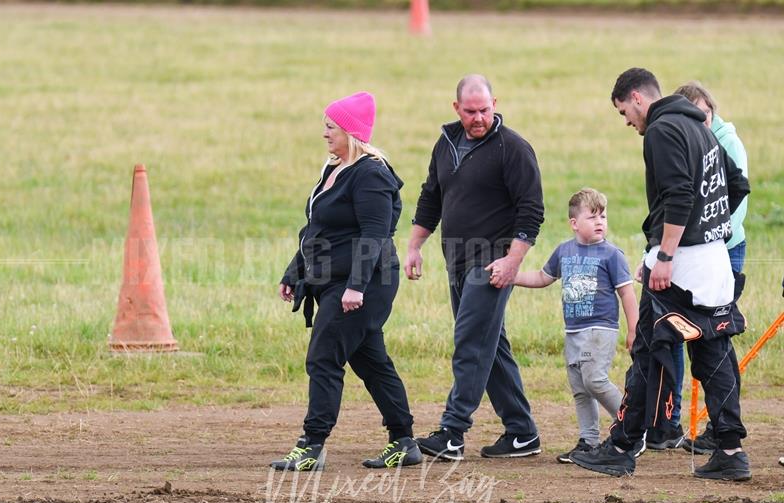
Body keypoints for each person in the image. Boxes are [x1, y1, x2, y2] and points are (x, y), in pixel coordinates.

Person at [570, 68, 750, 480]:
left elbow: (679, 195)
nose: (628, 123)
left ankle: (622, 445)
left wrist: (665, 255)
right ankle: (730, 451)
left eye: (623, 113)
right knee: (715, 355)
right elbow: (735, 185)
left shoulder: (662, 130)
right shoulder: (701, 128)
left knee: (649, 352)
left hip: (681, 266)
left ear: (636, 98)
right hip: (714, 262)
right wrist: (706, 233)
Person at [272, 92, 422, 471]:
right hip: (334, 280)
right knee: (371, 361)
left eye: (330, 126)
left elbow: (374, 233)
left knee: (323, 356)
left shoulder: (371, 173)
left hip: (365, 283)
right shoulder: (334, 168)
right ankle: (404, 441)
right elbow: (317, 228)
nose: (324, 133)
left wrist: (356, 286)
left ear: (351, 132)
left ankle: (312, 445)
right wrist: (296, 271)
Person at [405, 74, 545, 461]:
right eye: (470, 111)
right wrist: (415, 245)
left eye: (485, 109)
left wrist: (512, 262)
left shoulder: (513, 148)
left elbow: (532, 211)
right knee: (491, 347)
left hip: (491, 263)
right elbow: (431, 196)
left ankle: (452, 433)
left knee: (470, 343)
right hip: (456, 261)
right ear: (457, 109)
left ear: (495, 103)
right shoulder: (446, 143)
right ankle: (522, 433)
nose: (479, 117)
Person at [514, 188, 640, 463]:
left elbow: (627, 293)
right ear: (574, 223)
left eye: (603, 216)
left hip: (600, 328)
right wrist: (511, 275)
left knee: (595, 380)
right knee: (581, 389)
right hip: (573, 331)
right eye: (592, 216)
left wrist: (634, 329)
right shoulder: (564, 251)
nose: (600, 222)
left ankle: (632, 426)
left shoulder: (612, 255)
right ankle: (588, 441)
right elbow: (541, 277)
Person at [669, 81, 750, 455]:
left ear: (711, 110)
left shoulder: (724, 142)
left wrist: (709, 234)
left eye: (703, 114)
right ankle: (717, 426)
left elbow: (736, 195)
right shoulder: (692, 140)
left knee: (716, 339)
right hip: (702, 250)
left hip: (722, 249)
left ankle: (724, 430)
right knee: (704, 340)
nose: (698, 120)